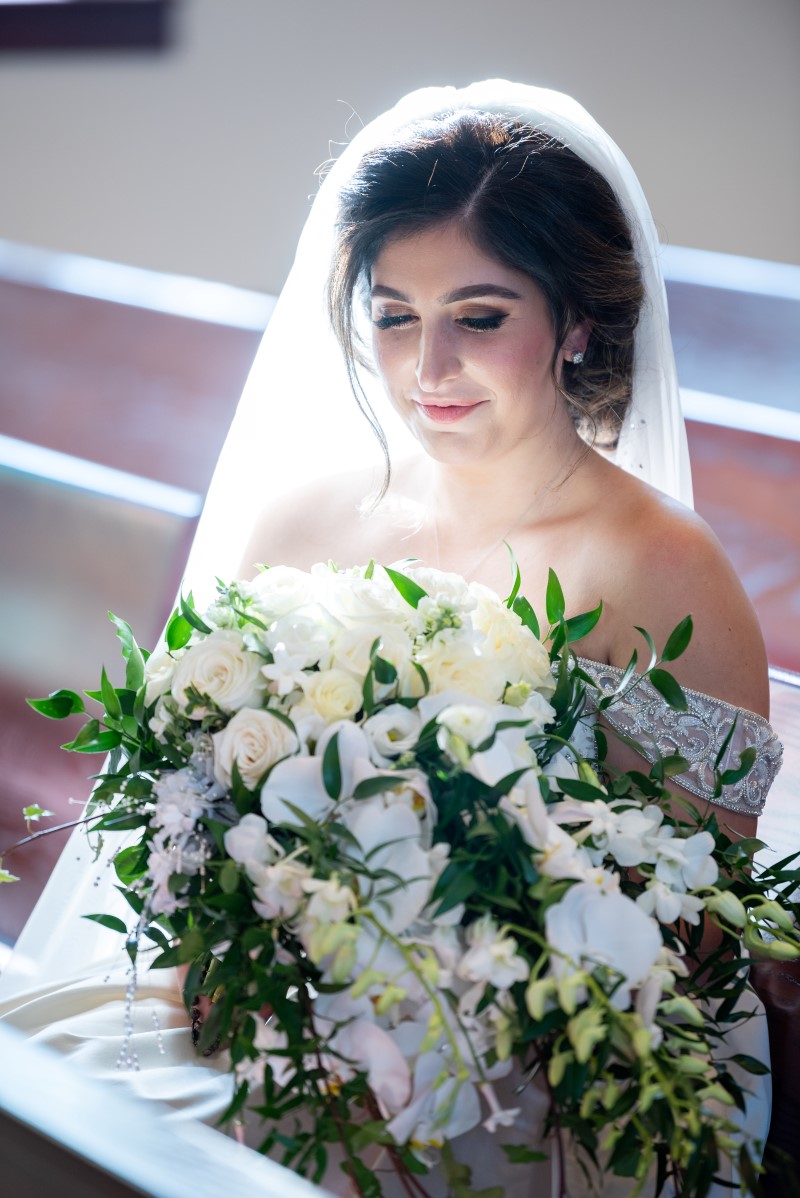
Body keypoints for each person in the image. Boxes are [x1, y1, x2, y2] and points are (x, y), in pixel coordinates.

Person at [0, 82, 784, 1197]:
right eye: (393, 315)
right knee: (61, 1104)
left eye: (477, 317)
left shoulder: (661, 573)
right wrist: (241, 962)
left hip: (541, 1068)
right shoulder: (302, 517)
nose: (427, 370)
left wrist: (426, 993)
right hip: (261, 1009)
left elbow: (697, 940)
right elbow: (190, 803)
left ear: (574, 324)